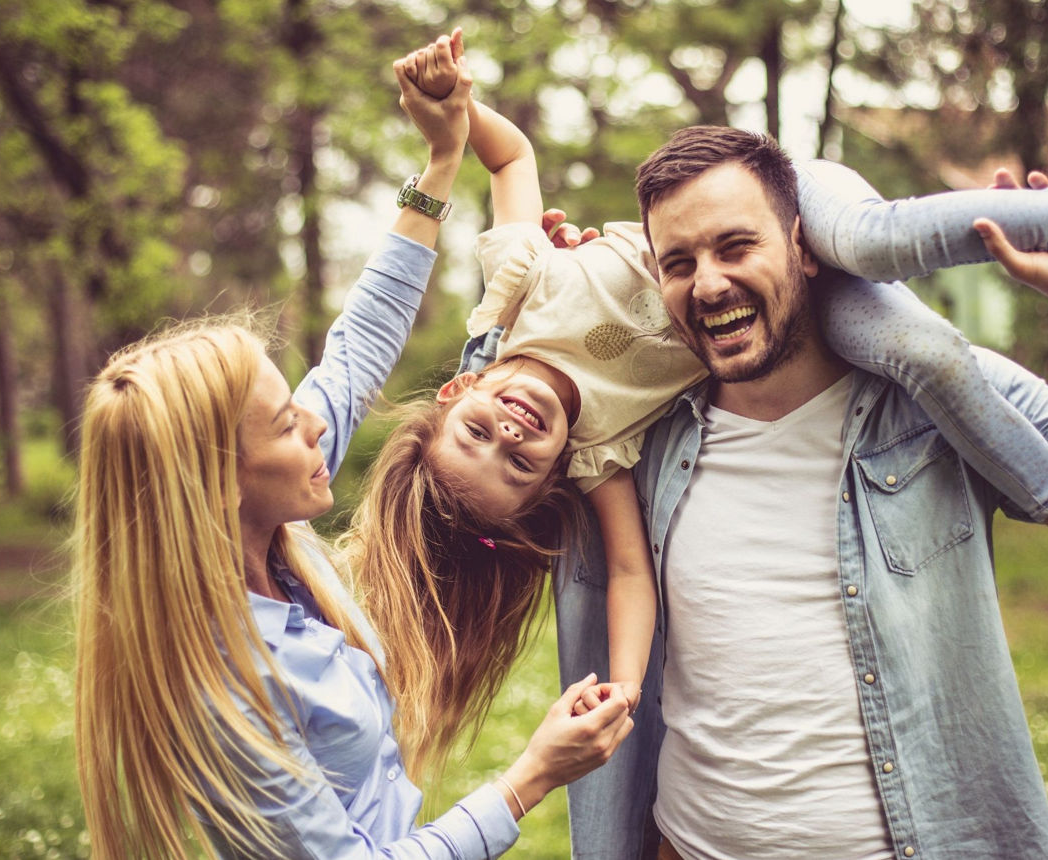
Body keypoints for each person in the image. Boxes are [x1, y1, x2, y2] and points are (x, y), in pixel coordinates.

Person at [382, 30, 1048, 722]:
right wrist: (625, 687)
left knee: (875, 240)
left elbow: (511, 155)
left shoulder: (515, 292)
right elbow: (630, 574)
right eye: (519, 462)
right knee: (926, 355)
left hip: (765, 191)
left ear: (458, 392)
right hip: (764, 280)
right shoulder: (607, 450)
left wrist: (451, 115)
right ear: (553, 475)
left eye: (479, 432)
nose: (512, 434)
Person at [537, 129, 1048, 858]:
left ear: (805, 246)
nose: (708, 284)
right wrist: (539, 310)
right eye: (679, 263)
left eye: (735, 247)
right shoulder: (646, 437)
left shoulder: (946, 403)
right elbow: (481, 458)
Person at [71, 40, 632, 860]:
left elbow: (361, 340)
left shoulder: (270, 535)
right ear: (213, 487)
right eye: (284, 424)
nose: (316, 425)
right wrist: (530, 778)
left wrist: (441, 158)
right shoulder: (226, 688)